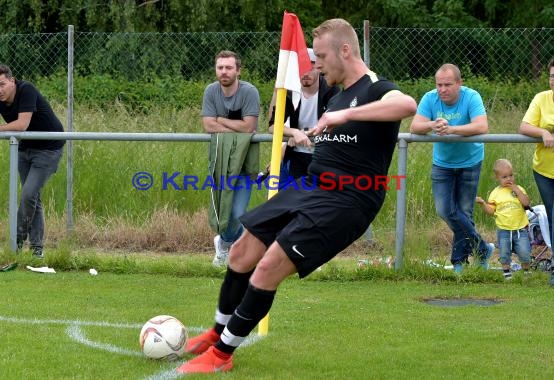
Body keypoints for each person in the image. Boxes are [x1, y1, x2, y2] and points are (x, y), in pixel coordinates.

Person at [176, 18, 417, 374]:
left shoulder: (377, 88)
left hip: (348, 199)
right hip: (310, 186)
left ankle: (222, 356)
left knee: (270, 265)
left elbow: (408, 105)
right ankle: (216, 332)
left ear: (345, 50)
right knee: (242, 251)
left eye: (320, 56)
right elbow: (285, 117)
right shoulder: (334, 93)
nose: (316, 65)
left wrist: (345, 115)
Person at [410, 63, 494, 273]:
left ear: (459, 83)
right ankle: (482, 248)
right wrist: (432, 125)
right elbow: (415, 126)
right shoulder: (430, 98)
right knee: (445, 210)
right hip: (443, 164)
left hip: (470, 161)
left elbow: (482, 126)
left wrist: (451, 129)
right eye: (439, 84)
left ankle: (459, 263)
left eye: (448, 84)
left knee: (465, 213)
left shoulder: (471, 96)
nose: (442, 89)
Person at [0, 64, 65, 258]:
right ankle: (36, 249)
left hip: (48, 148)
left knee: (29, 194)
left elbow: (22, 124)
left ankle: (18, 240)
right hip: (24, 149)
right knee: (33, 198)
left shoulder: (26, 89)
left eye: (2, 84)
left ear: (12, 81)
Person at [202, 50, 261, 268]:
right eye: (220, 68)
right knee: (222, 210)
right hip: (220, 163)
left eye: (228, 67)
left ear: (238, 70)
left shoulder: (249, 92)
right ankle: (238, 251)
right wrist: (235, 128)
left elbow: (249, 126)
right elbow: (208, 125)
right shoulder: (211, 91)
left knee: (237, 213)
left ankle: (224, 244)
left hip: (244, 163)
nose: (224, 72)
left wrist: (221, 120)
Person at [268, 48, 340, 187]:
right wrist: (294, 132)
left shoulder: (331, 90)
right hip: (297, 155)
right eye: (301, 68)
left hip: (323, 154)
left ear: (319, 68)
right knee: (292, 199)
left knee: (320, 200)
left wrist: (303, 134)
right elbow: (272, 126)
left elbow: (335, 122)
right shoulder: (290, 92)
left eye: (310, 67)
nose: (305, 73)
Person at [518, 58, 554, 285]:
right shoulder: (541, 99)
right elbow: (523, 126)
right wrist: (543, 132)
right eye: (552, 76)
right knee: (552, 217)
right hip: (544, 170)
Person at [475, 159, 531, 279]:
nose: (509, 179)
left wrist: (517, 190)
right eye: (504, 177)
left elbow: (526, 203)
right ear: (497, 178)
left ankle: (526, 271)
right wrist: (483, 204)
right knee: (505, 253)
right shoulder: (496, 193)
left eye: (511, 175)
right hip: (504, 229)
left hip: (520, 228)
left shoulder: (519, 189)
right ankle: (506, 272)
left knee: (525, 252)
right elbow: (491, 211)